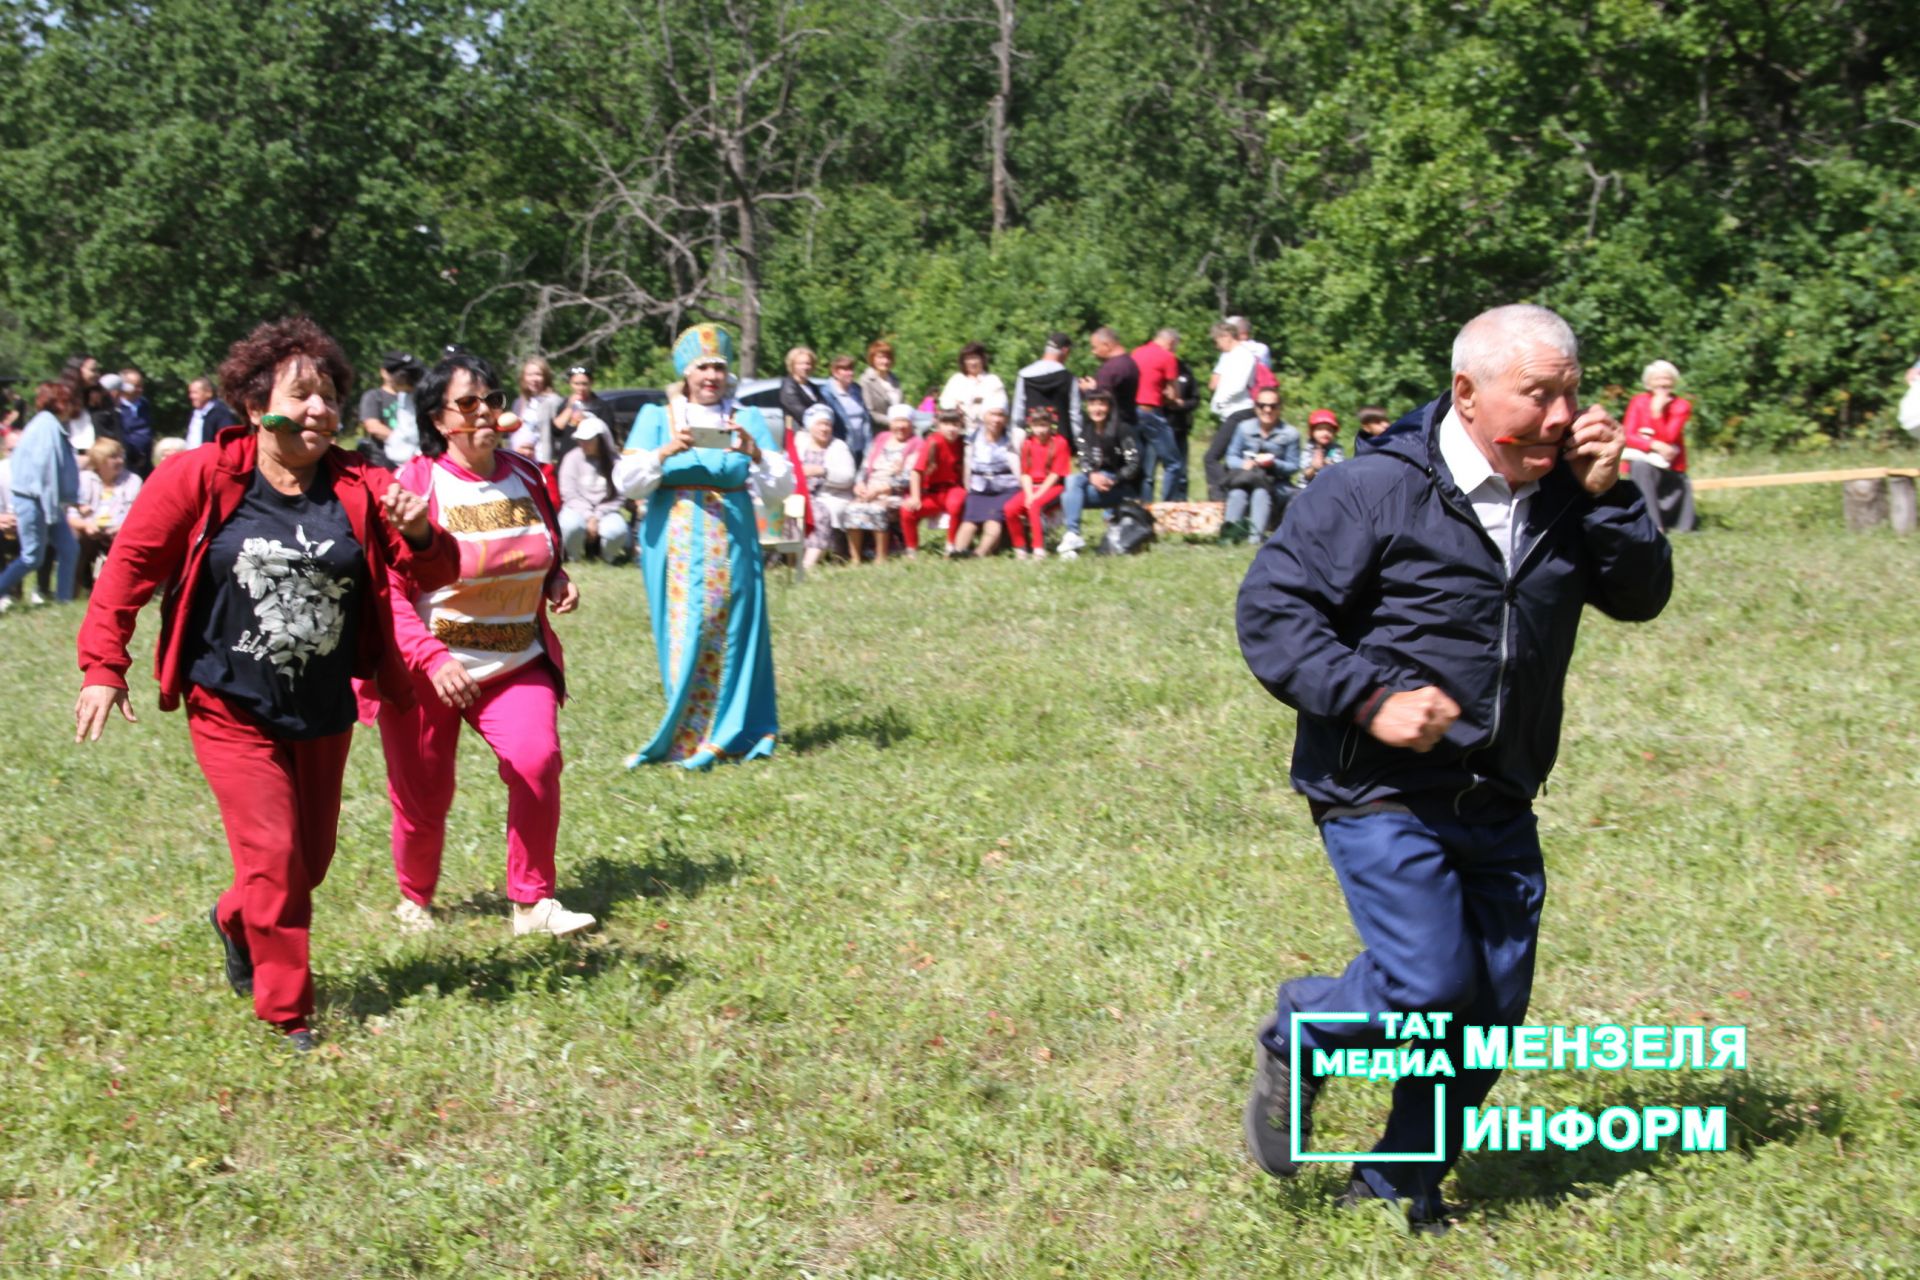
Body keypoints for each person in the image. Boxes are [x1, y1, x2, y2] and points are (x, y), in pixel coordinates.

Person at [1235, 304, 1672, 1232]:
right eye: (1538, 396)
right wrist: (1368, 696)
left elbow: (1641, 596)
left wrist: (1612, 497)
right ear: (1467, 395)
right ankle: (1306, 1031)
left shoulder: (1570, 492)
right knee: (1431, 985)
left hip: (1502, 788)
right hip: (1379, 787)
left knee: (1488, 1015)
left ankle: (1395, 1180)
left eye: (1570, 394)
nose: (1560, 417)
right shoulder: (1371, 490)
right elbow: (1273, 612)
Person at [73, 317, 457, 1050]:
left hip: (322, 704)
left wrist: (421, 535)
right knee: (276, 858)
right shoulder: (200, 475)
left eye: (330, 396)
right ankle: (288, 1013)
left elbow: (438, 577)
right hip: (228, 701)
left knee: (306, 864)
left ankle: (235, 915)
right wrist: (103, 666)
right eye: (302, 395)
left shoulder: (360, 484)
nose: (319, 410)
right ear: (256, 406)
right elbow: (128, 567)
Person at [370, 351, 593, 940]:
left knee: (536, 760)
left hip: (515, 662)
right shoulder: (414, 485)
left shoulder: (527, 475)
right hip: (428, 669)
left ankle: (532, 901)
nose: (487, 412)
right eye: (468, 403)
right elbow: (385, 592)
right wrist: (432, 658)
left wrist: (555, 580)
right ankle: (415, 896)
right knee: (423, 799)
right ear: (440, 420)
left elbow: (541, 546)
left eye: (493, 399)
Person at [613, 323, 792, 768]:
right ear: (686, 374)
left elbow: (779, 488)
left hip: (733, 538)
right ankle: (689, 730)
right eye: (702, 368)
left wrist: (755, 452)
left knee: (733, 629)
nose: (711, 376)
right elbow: (628, 482)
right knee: (685, 629)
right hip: (673, 541)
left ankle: (730, 733)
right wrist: (665, 452)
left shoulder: (746, 418)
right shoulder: (656, 418)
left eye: (719, 367)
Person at [0, 383, 81, 608]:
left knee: (69, 549)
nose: (75, 405)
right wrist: (50, 506)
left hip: (48, 501)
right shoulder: (46, 426)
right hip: (36, 500)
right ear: (60, 401)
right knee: (32, 557)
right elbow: (44, 471)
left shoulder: (49, 424)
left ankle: (64, 601)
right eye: (71, 400)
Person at [1056, 389, 1142, 560]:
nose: (1097, 409)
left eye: (1101, 404)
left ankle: (1072, 534)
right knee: (1072, 483)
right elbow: (1083, 461)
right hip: (1096, 484)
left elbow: (1134, 464)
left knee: (1070, 494)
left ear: (1110, 407)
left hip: (1122, 488)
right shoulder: (1085, 432)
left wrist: (1115, 479)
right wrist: (1092, 476)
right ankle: (1073, 536)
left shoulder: (1123, 430)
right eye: (1092, 404)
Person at [1620, 360, 1698, 534]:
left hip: (1670, 466)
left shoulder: (1681, 406)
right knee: (1641, 466)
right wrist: (1653, 444)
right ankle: (1653, 524)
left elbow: (1670, 437)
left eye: (1667, 380)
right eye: (1657, 380)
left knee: (1644, 467)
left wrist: (1657, 413)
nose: (1662, 384)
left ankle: (1658, 522)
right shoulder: (1638, 402)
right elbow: (1628, 435)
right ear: (1649, 383)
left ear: (1673, 382)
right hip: (1643, 461)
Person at [844, 402, 919, 563]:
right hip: (870, 489)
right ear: (890, 423)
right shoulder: (881, 439)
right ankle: (856, 558)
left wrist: (879, 491)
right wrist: (860, 484)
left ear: (911, 424)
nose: (900, 426)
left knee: (877, 509)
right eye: (896, 421)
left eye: (904, 421)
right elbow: (865, 466)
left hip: (895, 492)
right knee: (852, 509)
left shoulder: (916, 444)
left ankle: (880, 556)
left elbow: (908, 477)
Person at [1223, 391, 1303, 539]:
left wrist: (1273, 463)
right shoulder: (1243, 428)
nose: (1267, 410)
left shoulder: (1290, 434)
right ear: (1255, 407)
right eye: (1262, 405)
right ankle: (1229, 537)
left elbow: (1293, 466)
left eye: (1273, 406)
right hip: (1246, 478)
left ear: (1280, 408)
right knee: (1237, 494)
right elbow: (1230, 457)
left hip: (1276, 482)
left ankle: (1255, 538)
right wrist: (1243, 464)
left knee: (1261, 492)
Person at [69, 437, 142, 592]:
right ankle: (73, 588)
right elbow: (71, 514)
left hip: (120, 529)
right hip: (89, 528)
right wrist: (86, 525)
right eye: (113, 457)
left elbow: (137, 514)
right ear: (99, 461)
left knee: (125, 541)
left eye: (121, 456)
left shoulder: (133, 480)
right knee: (75, 538)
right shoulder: (84, 479)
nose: (119, 461)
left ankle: (119, 589)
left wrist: (120, 528)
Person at [557, 415, 632, 563]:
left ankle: (606, 557)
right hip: (576, 508)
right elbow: (569, 493)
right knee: (571, 526)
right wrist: (589, 516)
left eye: (588, 440)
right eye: (580, 440)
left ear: (601, 440)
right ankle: (574, 557)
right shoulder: (571, 458)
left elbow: (619, 495)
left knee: (617, 531)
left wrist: (597, 516)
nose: (583, 444)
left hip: (606, 511)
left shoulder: (615, 462)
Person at [793, 403, 856, 570]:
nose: (824, 428)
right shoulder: (800, 443)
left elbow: (848, 477)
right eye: (819, 424)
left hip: (828, 496)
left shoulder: (838, 446)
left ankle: (809, 562)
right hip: (800, 493)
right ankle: (788, 557)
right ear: (810, 426)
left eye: (827, 424)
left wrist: (822, 471)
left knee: (818, 512)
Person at [1003, 405, 1071, 560]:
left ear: (1050, 425)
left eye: (1044, 425)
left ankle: (1038, 549)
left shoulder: (1060, 442)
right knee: (1010, 509)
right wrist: (1028, 494)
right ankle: (1020, 548)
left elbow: (1055, 474)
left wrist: (1036, 496)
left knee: (1035, 506)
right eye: (1036, 426)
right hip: (1031, 487)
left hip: (1052, 486)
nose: (1040, 430)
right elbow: (1025, 473)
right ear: (1030, 426)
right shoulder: (1028, 443)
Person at [954, 404, 1022, 556]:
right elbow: (967, 464)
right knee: (969, 522)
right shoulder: (973, 438)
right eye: (992, 414)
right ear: (984, 416)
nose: (996, 420)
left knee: (993, 521)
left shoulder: (1013, 437)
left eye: (1001, 415)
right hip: (979, 489)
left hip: (1006, 489)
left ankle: (979, 553)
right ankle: (957, 552)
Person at [1204, 321, 1260, 500]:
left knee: (1211, 457)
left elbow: (1237, 385)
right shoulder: (1230, 356)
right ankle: (1232, 494)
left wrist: (1221, 402)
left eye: (1217, 341)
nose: (1216, 345)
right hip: (1231, 412)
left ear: (1226, 336)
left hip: (1240, 411)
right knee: (1230, 458)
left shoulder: (1243, 355)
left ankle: (1223, 493)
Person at [903, 408, 968, 557]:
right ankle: (911, 550)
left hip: (953, 488)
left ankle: (951, 546)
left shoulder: (962, 443)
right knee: (907, 511)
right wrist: (915, 497)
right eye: (946, 424)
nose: (951, 428)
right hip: (932, 492)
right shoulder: (933, 442)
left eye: (955, 424)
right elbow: (916, 472)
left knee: (956, 505)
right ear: (938, 425)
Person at [1132, 328, 1183, 501]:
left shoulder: (1137, 352)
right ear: (1171, 343)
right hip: (1152, 412)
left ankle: (1146, 505)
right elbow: (1173, 393)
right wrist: (1173, 399)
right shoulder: (1168, 357)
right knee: (1174, 463)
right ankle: (1166, 504)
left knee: (1147, 466)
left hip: (1133, 411)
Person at [1009, 332, 1081, 455]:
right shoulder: (1069, 379)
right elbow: (1075, 415)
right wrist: (1077, 443)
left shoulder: (1024, 375)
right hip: (1060, 443)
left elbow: (1018, 414)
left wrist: (1016, 439)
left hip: (1032, 440)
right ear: (1065, 350)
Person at [357, 351, 424, 468]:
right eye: (399, 373)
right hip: (382, 463)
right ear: (384, 372)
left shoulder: (412, 396)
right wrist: (402, 442)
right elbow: (373, 426)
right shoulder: (374, 396)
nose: (404, 377)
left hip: (415, 462)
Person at [938, 342, 1007, 433]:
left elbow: (1000, 406)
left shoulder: (993, 380)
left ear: (982, 359)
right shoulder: (956, 380)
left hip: (986, 431)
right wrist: (955, 407)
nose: (973, 362)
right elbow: (944, 401)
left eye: (975, 358)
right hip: (960, 430)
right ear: (963, 362)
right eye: (969, 359)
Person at [1079, 327, 1140, 429]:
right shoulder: (1129, 362)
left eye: (1095, 347)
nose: (1093, 352)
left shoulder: (1110, 369)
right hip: (1130, 422)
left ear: (1107, 345)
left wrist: (1088, 390)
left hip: (1114, 429)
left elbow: (1103, 402)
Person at [553, 364, 613, 463]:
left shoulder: (601, 406)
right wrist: (569, 408)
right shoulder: (564, 404)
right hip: (568, 457)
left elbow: (607, 433)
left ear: (591, 383)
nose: (581, 388)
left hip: (593, 458)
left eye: (584, 384)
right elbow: (556, 430)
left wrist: (587, 420)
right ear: (570, 384)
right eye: (576, 384)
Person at [513, 357, 567, 465]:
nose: (534, 379)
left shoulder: (553, 401)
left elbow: (558, 433)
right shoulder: (519, 402)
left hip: (541, 460)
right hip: (518, 458)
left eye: (538, 374)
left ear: (545, 377)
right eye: (530, 375)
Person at [823, 354, 874, 461]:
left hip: (862, 445)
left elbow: (865, 418)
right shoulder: (826, 393)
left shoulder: (857, 390)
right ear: (835, 372)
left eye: (851, 369)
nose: (850, 373)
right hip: (841, 447)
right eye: (845, 370)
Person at [115, 366, 154, 476]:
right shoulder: (116, 408)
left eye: (141, 386)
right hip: (126, 462)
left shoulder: (144, 404)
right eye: (136, 386)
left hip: (146, 462)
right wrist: (133, 456)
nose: (140, 390)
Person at [778, 347, 825, 436]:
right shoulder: (788, 386)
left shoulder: (813, 387)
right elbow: (802, 412)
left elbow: (824, 407)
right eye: (800, 364)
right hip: (795, 436)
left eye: (808, 364)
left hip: (814, 436)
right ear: (792, 365)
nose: (805, 367)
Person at [859, 340, 904, 428]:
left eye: (888, 358)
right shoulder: (866, 381)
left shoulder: (894, 379)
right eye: (880, 357)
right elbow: (869, 412)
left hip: (899, 429)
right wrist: (892, 421)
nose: (885, 361)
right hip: (878, 431)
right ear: (873, 359)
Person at [185, 377, 239, 448]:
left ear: (208, 393)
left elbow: (227, 440)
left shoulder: (221, 413)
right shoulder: (195, 413)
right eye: (190, 392)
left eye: (195, 393)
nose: (191, 396)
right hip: (192, 456)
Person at [1300, 410, 1344, 483]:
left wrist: (1327, 464)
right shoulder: (1309, 448)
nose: (1325, 433)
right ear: (1312, 432)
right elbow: (1306, 475)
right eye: (1320, 429)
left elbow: (1339, 472)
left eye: (1329, 430)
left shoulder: (1336, 449)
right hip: (1307, 486)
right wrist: (1313, 467)